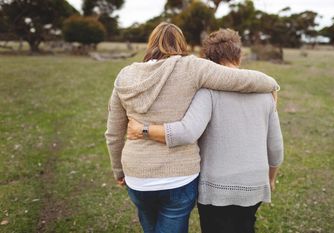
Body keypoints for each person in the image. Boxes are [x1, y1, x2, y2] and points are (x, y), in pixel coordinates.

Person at [104, 23, 279, 233]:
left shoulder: (125, 75)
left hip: (137, 175)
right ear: (181, 43)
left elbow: (113, 133)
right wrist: (272, 84)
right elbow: (241, 79)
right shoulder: (192, 67)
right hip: (180, 176)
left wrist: (118, 171)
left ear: (150, 43)